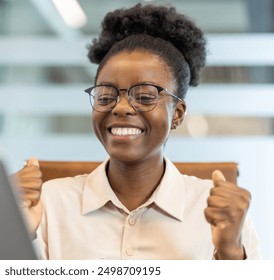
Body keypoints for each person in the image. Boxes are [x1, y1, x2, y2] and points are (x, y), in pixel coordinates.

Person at [13, 3, 260, 260]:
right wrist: (10, 233)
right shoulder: (49, 203)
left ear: (177, 114)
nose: (120, 108)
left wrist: (230, 251)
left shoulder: (219, 213)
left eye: (144, 96)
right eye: (106, 95)